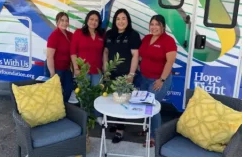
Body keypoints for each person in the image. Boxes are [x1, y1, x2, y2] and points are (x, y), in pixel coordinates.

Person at [135, 14, 177, 147]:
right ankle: (147, 128)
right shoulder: (147, 38)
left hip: (159, 80)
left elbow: (170, 62)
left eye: (157, 24)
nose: (154, 27)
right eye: (152, 24)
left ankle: (154, 136)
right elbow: (141, 55)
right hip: (144, 78)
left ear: (163, 26)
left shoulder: (168, 40)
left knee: (152, 106)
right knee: (144, 105)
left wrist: (162, 80)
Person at [103, 8, 140, 143]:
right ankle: (114, 123)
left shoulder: (133, 35)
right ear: (115, 21)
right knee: (112, 100)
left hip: (125, 75)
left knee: (123, 102)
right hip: (111, 74)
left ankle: (120, 130)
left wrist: (131, 74)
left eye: (123, 18)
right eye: (118, 18)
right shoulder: (109, 34)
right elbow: (106, 53)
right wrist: (106, 71)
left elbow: (135, 55)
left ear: (128, 20)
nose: (121, 21)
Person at [46, 12, 75, 103]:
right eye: (61, 20)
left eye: (66, 21)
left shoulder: (70, 35)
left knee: (68, 89)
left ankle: (63, 107)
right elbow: (49, 56)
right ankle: (56, 111)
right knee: (55, 93)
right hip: (56, 69)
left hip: (66, 68)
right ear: (57, 22)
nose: (64, 23)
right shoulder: (54, 36)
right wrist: (52, 73)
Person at [71, 10, 105, 86]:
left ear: (99, 22)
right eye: (91, 19)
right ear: (87, 20)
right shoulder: (78, 32)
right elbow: (73, 53)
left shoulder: (102, 35)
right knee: (83, 95)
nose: (93, 22)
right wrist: (76, 69)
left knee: (96, 95)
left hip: (97, 71)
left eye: (96, 20)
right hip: (83, 71)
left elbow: (104, 53)